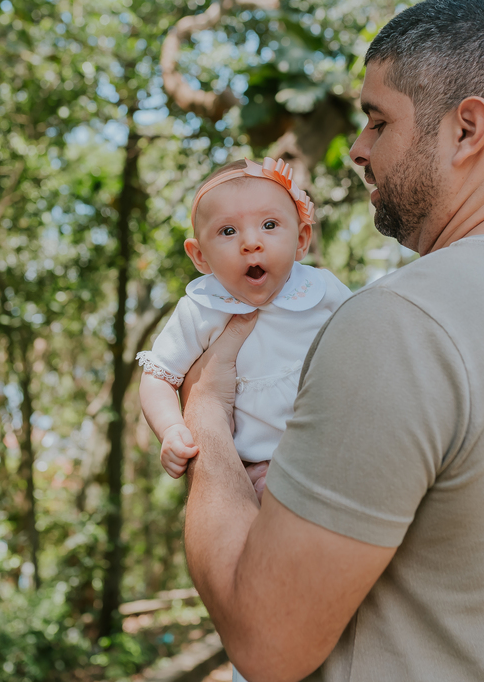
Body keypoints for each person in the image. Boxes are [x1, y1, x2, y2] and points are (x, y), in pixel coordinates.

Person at [179, 0, 484, 682]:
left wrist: (206, 416)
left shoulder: (403, 321)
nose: (358, 151)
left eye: (377, 120)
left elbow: (268, 643)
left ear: (466, 129)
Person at [137, 157, 351, 493]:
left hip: (336, 448)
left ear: (301, 239)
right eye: (227, 231)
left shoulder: (320, 288)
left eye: (269, 225)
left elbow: (368, 342)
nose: (251, 242)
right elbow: (158, 377)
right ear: (200, 256)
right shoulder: (201, 309)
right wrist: (171, 429)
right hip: (257, 470)